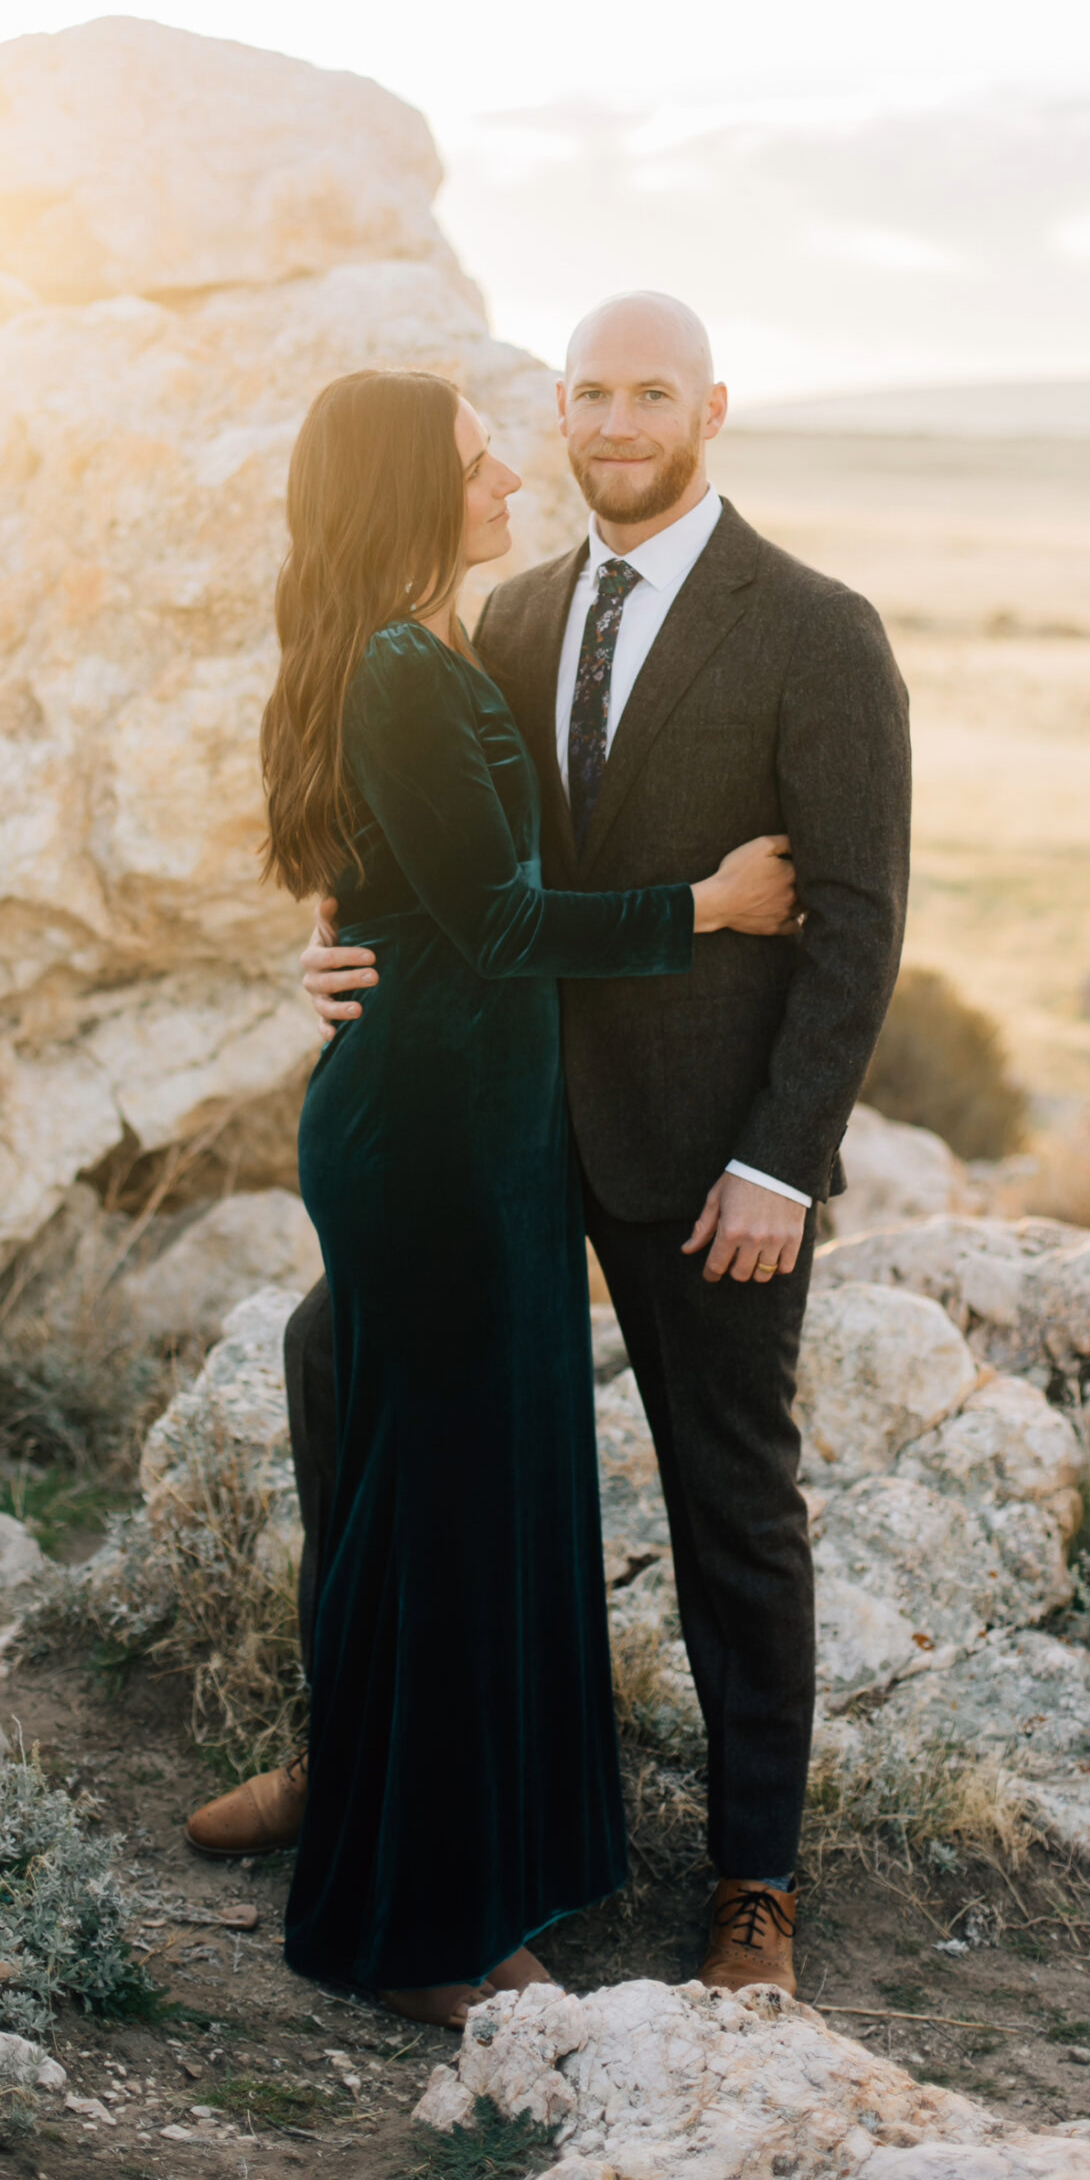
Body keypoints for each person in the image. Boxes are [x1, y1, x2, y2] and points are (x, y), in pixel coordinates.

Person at [188, 297, 912, 1999]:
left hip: (696, 1163)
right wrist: (334, 937)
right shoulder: (499, 612)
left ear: (711, 409)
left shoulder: (815, 628)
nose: (606, 423)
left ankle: (752, 1881)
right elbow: (436, 850)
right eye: (583, 392)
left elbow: (856, 924)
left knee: (734, 1505)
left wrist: (778, 1165)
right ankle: (366, 1767)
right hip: (490, 1140)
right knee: (345, 1389)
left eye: (648, 392)